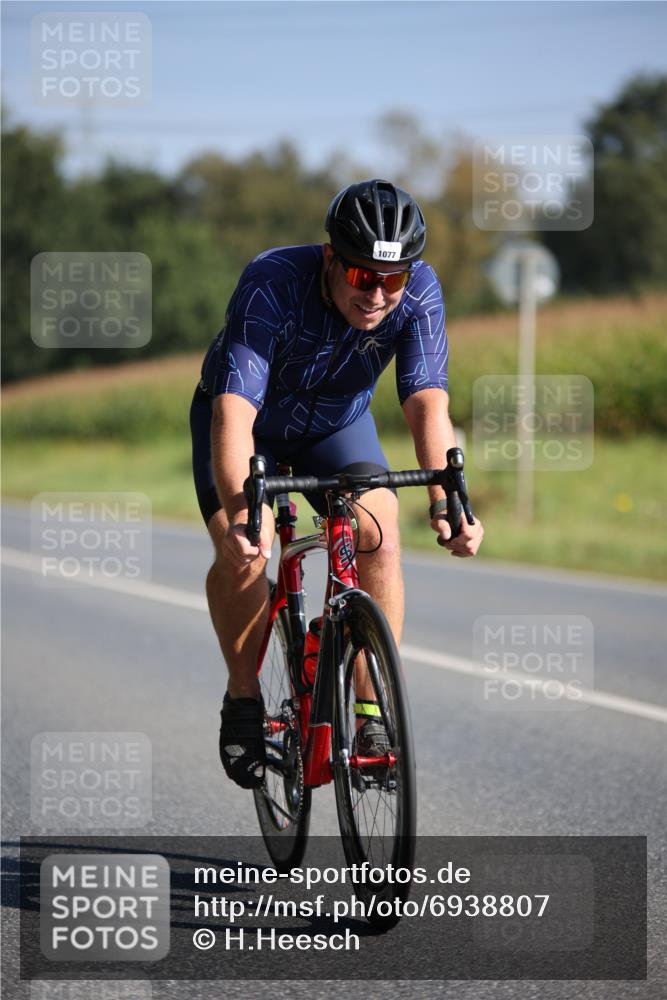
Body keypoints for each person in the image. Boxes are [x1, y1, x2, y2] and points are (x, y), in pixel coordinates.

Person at [190, 178, 484, 789]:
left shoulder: (419, 292)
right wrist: (244, 517)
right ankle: (244, 699)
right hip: (253, 427)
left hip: (335, 426)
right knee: (249, 548)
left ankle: (372, 709)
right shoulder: (273, 281)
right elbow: (234, 415)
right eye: (361, 278)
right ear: (331, 259)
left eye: (393, 279)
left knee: (380, 529)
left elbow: (428, 403)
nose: (377, 295)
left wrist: (446, 499)